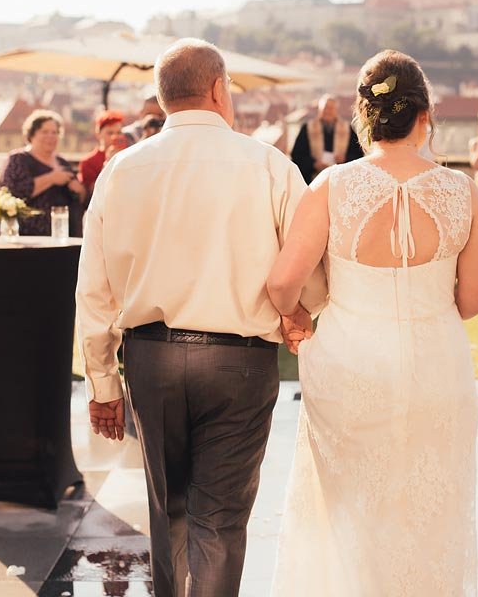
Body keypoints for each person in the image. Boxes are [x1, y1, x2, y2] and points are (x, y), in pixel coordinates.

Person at [75, 38, 327, 597]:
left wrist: (102, 382)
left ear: (165, 99)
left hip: (151, 357)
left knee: (168, 518)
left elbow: (93, 288)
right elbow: (308, 268)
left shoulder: (120, 170)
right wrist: (297, 314)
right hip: (238, 363)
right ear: (218, 89)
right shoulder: (270, 165)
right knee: (221, 520)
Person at [267, 49, 478, 594]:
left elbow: (280, 283)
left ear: (365, 117)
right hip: (436, 360)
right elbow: (476, 300)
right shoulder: (462, 190)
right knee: (430, 508)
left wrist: (296, 319)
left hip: (349, 362)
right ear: (426, 115)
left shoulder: (332, 185)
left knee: (349, 508)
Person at [1, 109, 85, 236]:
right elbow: (14, 193)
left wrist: (80, 191)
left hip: (64, 234)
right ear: (31, 134)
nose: (50, 137)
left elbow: (81, 199)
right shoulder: (18, 159)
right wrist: (52, 178)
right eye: (44, 132)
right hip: (30, 235)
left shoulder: (62, 162)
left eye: (55, 132)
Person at [290, 93, 364, 183]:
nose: (328, 111)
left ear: (336, 110)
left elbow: (358, 154)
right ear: (320, 110)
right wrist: (313, 163)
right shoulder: (307, 128)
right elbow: (297, 155)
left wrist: (345, 158)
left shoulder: (347, 129)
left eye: (331, 108)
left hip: (340, 178)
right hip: (314, 178)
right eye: (325, 108)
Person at [78, 110, 127, 197]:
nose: (115, 136)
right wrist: (109, 162)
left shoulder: (127, 155)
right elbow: (93, 193)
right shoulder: (88, 162)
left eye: (119, 132)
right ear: (98, 134)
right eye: (110, 133)